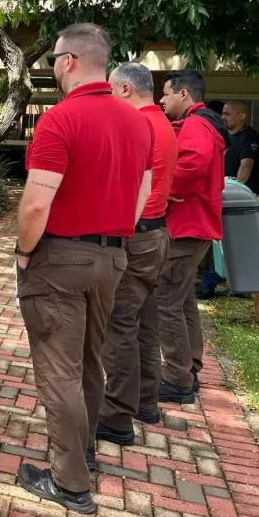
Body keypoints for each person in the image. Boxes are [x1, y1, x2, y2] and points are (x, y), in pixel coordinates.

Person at [13, 24, 152, 515]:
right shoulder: (139, 122)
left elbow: (35, 205)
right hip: (113, 256)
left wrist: (24, 252)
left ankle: (69, 481)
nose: (52, 67)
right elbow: (143, 193)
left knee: (59, 370)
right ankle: (85, 449)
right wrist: (114, 237)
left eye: (53, 58)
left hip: (60, 259)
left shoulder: (60, 120)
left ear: (69, 60)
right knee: (91, 361)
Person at [96, 63, 178, 446]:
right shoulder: (162, 123)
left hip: (136, 234)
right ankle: (146, 402)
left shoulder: (138, 125)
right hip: (157, 232)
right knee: (145, 323)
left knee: (119, 327)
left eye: (111, 91)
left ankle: (115, 416)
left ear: (126, 89)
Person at [157, 70, 228, 404]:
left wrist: (166, 191)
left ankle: (177, 378)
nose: (161, 100)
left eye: (166, 94)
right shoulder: (204, 124)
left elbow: (193, 161)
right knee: (182, 301)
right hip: (195, 225)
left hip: (186, 225)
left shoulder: (197, 125)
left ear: (184, 94)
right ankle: (189, 367)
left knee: (166, 302)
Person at [222, 100, 259, 195]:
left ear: (242, 116)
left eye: (227, 114)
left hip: (241, 195)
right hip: (224, 191)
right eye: (222, 114)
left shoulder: (249, 136)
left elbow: (246, 166)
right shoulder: (225, 135)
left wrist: (234, 191)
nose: (222, 117)